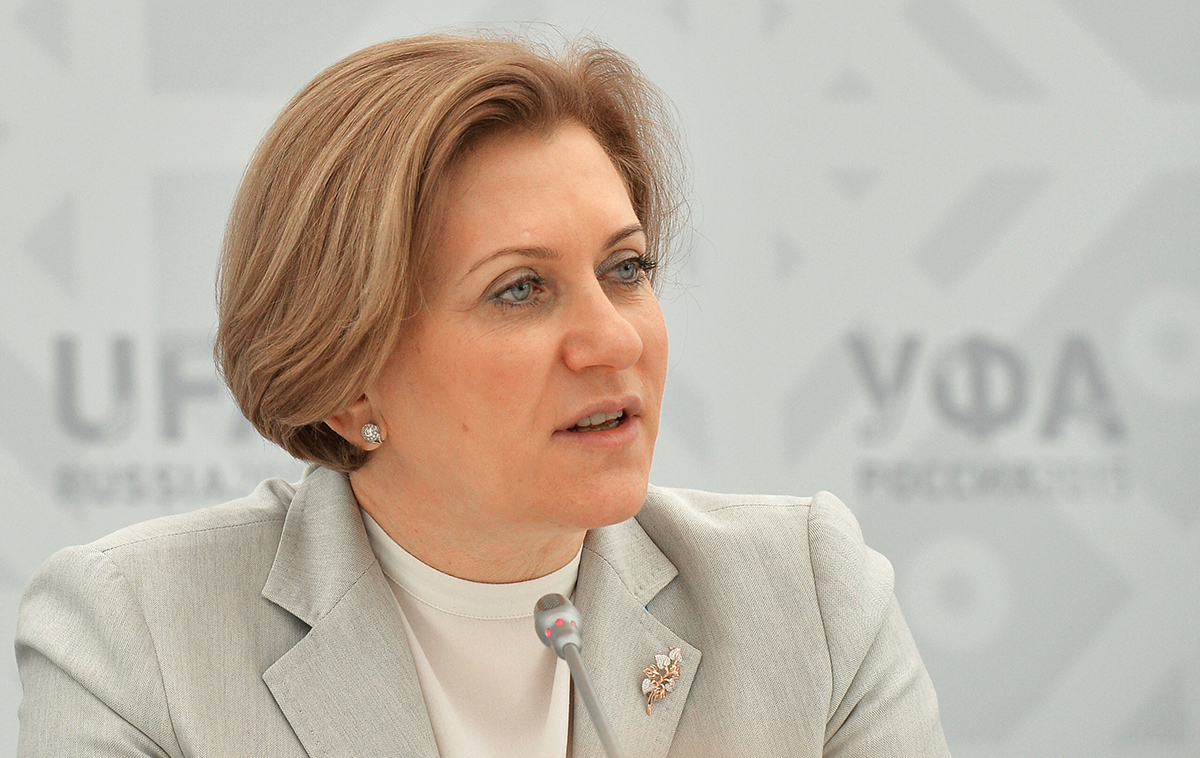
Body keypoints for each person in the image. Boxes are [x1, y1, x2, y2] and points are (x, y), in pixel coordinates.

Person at [15, 34, 950, 757]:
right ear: (346, 381)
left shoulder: (807, 598)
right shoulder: (135, 636)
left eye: (625, 269)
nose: (615, 340)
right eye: (520, 289)